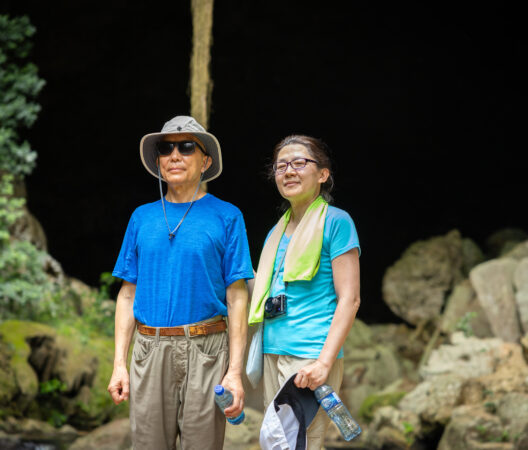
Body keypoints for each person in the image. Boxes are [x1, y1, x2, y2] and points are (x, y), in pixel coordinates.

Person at [107, 116, 253, 450]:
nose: (175, 155)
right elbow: (127, 295)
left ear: (206, 161)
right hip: (150, 348)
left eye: (187, 146)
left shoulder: (227, 216)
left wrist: (234, 371)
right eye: (166, 148)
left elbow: (237, 297)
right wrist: (119, 364)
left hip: (207, 349)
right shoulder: (141, 217)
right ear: (158, 160)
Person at [248, 135, 361, 450]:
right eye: (281, 166)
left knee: (303, 443)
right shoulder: (277, 230)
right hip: (273, 350)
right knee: (278, 443)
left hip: (310, 354)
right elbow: (267, 292)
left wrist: (324, 362)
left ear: (322, 174)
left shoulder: (337, 223)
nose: (289, 171)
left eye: (299, 163)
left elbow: (350, 299)